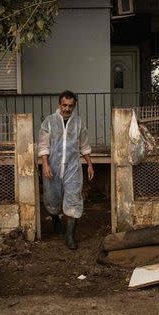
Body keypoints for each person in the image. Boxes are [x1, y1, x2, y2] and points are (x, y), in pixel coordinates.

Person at [38, 90, 94, 249]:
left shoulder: (79, 122)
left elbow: (84, 145)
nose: (67, 108)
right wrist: (46, 164)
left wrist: (89, 164)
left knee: (73, 199)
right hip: (53, 167)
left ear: (74, 106)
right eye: (64, 105)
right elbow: (43, 145)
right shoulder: (49, 121)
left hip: (72, 168)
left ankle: (70, 236)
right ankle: (55, 220)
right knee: (53, 198)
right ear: (59, 104)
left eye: (70, 106)